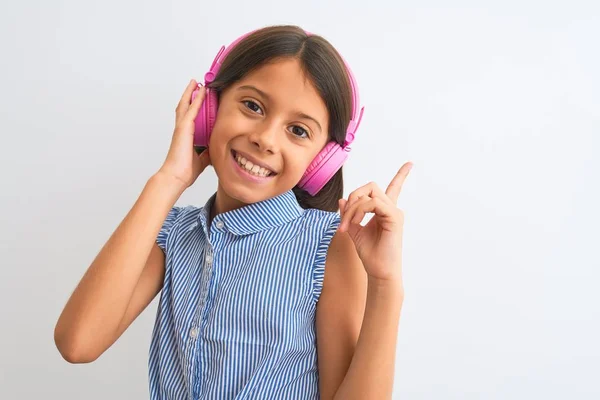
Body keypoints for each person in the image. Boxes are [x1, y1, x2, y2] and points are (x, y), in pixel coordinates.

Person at [54, 24, 413, 399]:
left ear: (322, 160)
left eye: (298, 130)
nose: (266, 138)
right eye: (253, 106)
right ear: (210, 107)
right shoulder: (174, 232)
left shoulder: (330, 245)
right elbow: (78, 343)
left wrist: (386, 287)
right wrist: (169, 179)